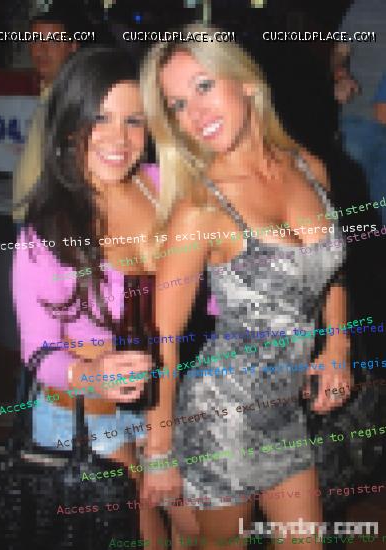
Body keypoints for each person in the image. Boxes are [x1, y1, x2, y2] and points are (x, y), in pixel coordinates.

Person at [140, 24, 352, 549]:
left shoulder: (309, 168)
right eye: (178, 104)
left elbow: (330, 268)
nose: (195, 113)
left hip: (286, 410)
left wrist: (337, 343)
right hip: (222, 418)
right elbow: (162, 337)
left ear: (247, 83)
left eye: (204, 86)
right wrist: (160, 452)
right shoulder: (200, 208)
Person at [12, 46, 164, 544]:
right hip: (82, 419)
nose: (119, 138)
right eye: (100, 118)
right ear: (69, 126)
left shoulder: (163, 187)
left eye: (134, 120)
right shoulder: (46, 231)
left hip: (165, 403)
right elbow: (38, 353)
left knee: (198, 527)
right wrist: (92, 374)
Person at [12, 10, 78, 222]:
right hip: (31, 215)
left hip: (47, 220)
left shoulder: (71, 97)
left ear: (72, 46)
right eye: (36, 40)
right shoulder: (48, 92)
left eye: (53, 41)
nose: (42, 49)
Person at [333, 0, 386, 222]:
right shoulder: (364, 7)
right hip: (360, 118)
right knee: (354, 204)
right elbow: (339, 52)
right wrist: (341, 76)